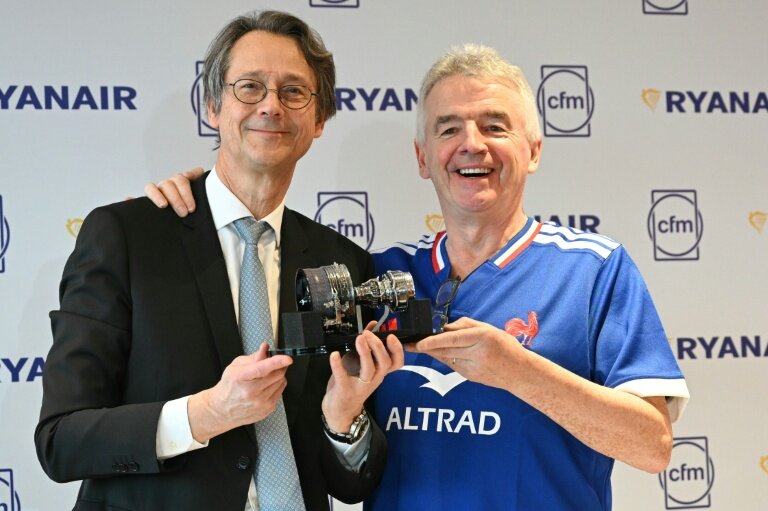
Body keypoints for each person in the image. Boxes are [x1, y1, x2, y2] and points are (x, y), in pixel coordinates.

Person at [146, 44, 689, 511]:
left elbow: (653, 445)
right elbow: (336, 443)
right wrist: (189, 203)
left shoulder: (593, 269)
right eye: (448, 129)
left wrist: (517, 370)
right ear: (423, 157)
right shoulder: (378, 272)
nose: (471, 144)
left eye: (494, 126)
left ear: (534, 150)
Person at [35, 10, 403, 511]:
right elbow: (61, 441)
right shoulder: (126, 236)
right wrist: (206, 414)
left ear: (318, 121)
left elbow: (352, 484)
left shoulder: (345, 263)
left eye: (294, 92)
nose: (271, 106)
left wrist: (344, 421)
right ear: (213, 105)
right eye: (249, 87)